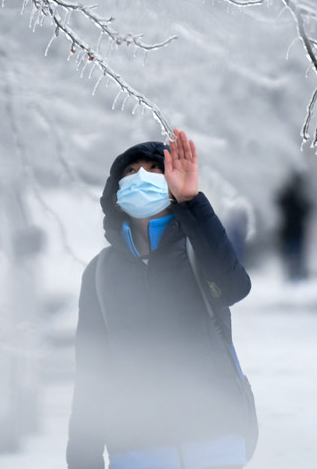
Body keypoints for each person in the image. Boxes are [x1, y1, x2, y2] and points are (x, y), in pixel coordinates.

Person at [66, 129, 252, 469]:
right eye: (131, 171)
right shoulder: (100, 272)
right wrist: (83, 459)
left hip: (214, 440)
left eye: (155, 169)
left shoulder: (200, 252)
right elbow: (91, 370)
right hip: (137, 450)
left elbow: (234, 287)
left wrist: (192, 202)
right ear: (116, 191)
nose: (142, 177)